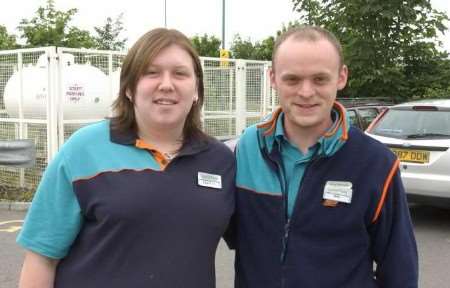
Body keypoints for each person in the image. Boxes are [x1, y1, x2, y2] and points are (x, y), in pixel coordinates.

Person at [17, 28, 235, 288]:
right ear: (129, 89)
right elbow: (42, 258)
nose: (166, 84)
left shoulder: (221, 161)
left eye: (180, 73)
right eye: (151, 72)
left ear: (196, 89)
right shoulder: (83, 150)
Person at [231, 26, 418, 287]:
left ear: (341, 77)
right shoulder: (248, 147)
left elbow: (400, 268)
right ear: (273, 78)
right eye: (292, 79)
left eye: (320, 79)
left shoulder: (377, 162)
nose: (306, 92)